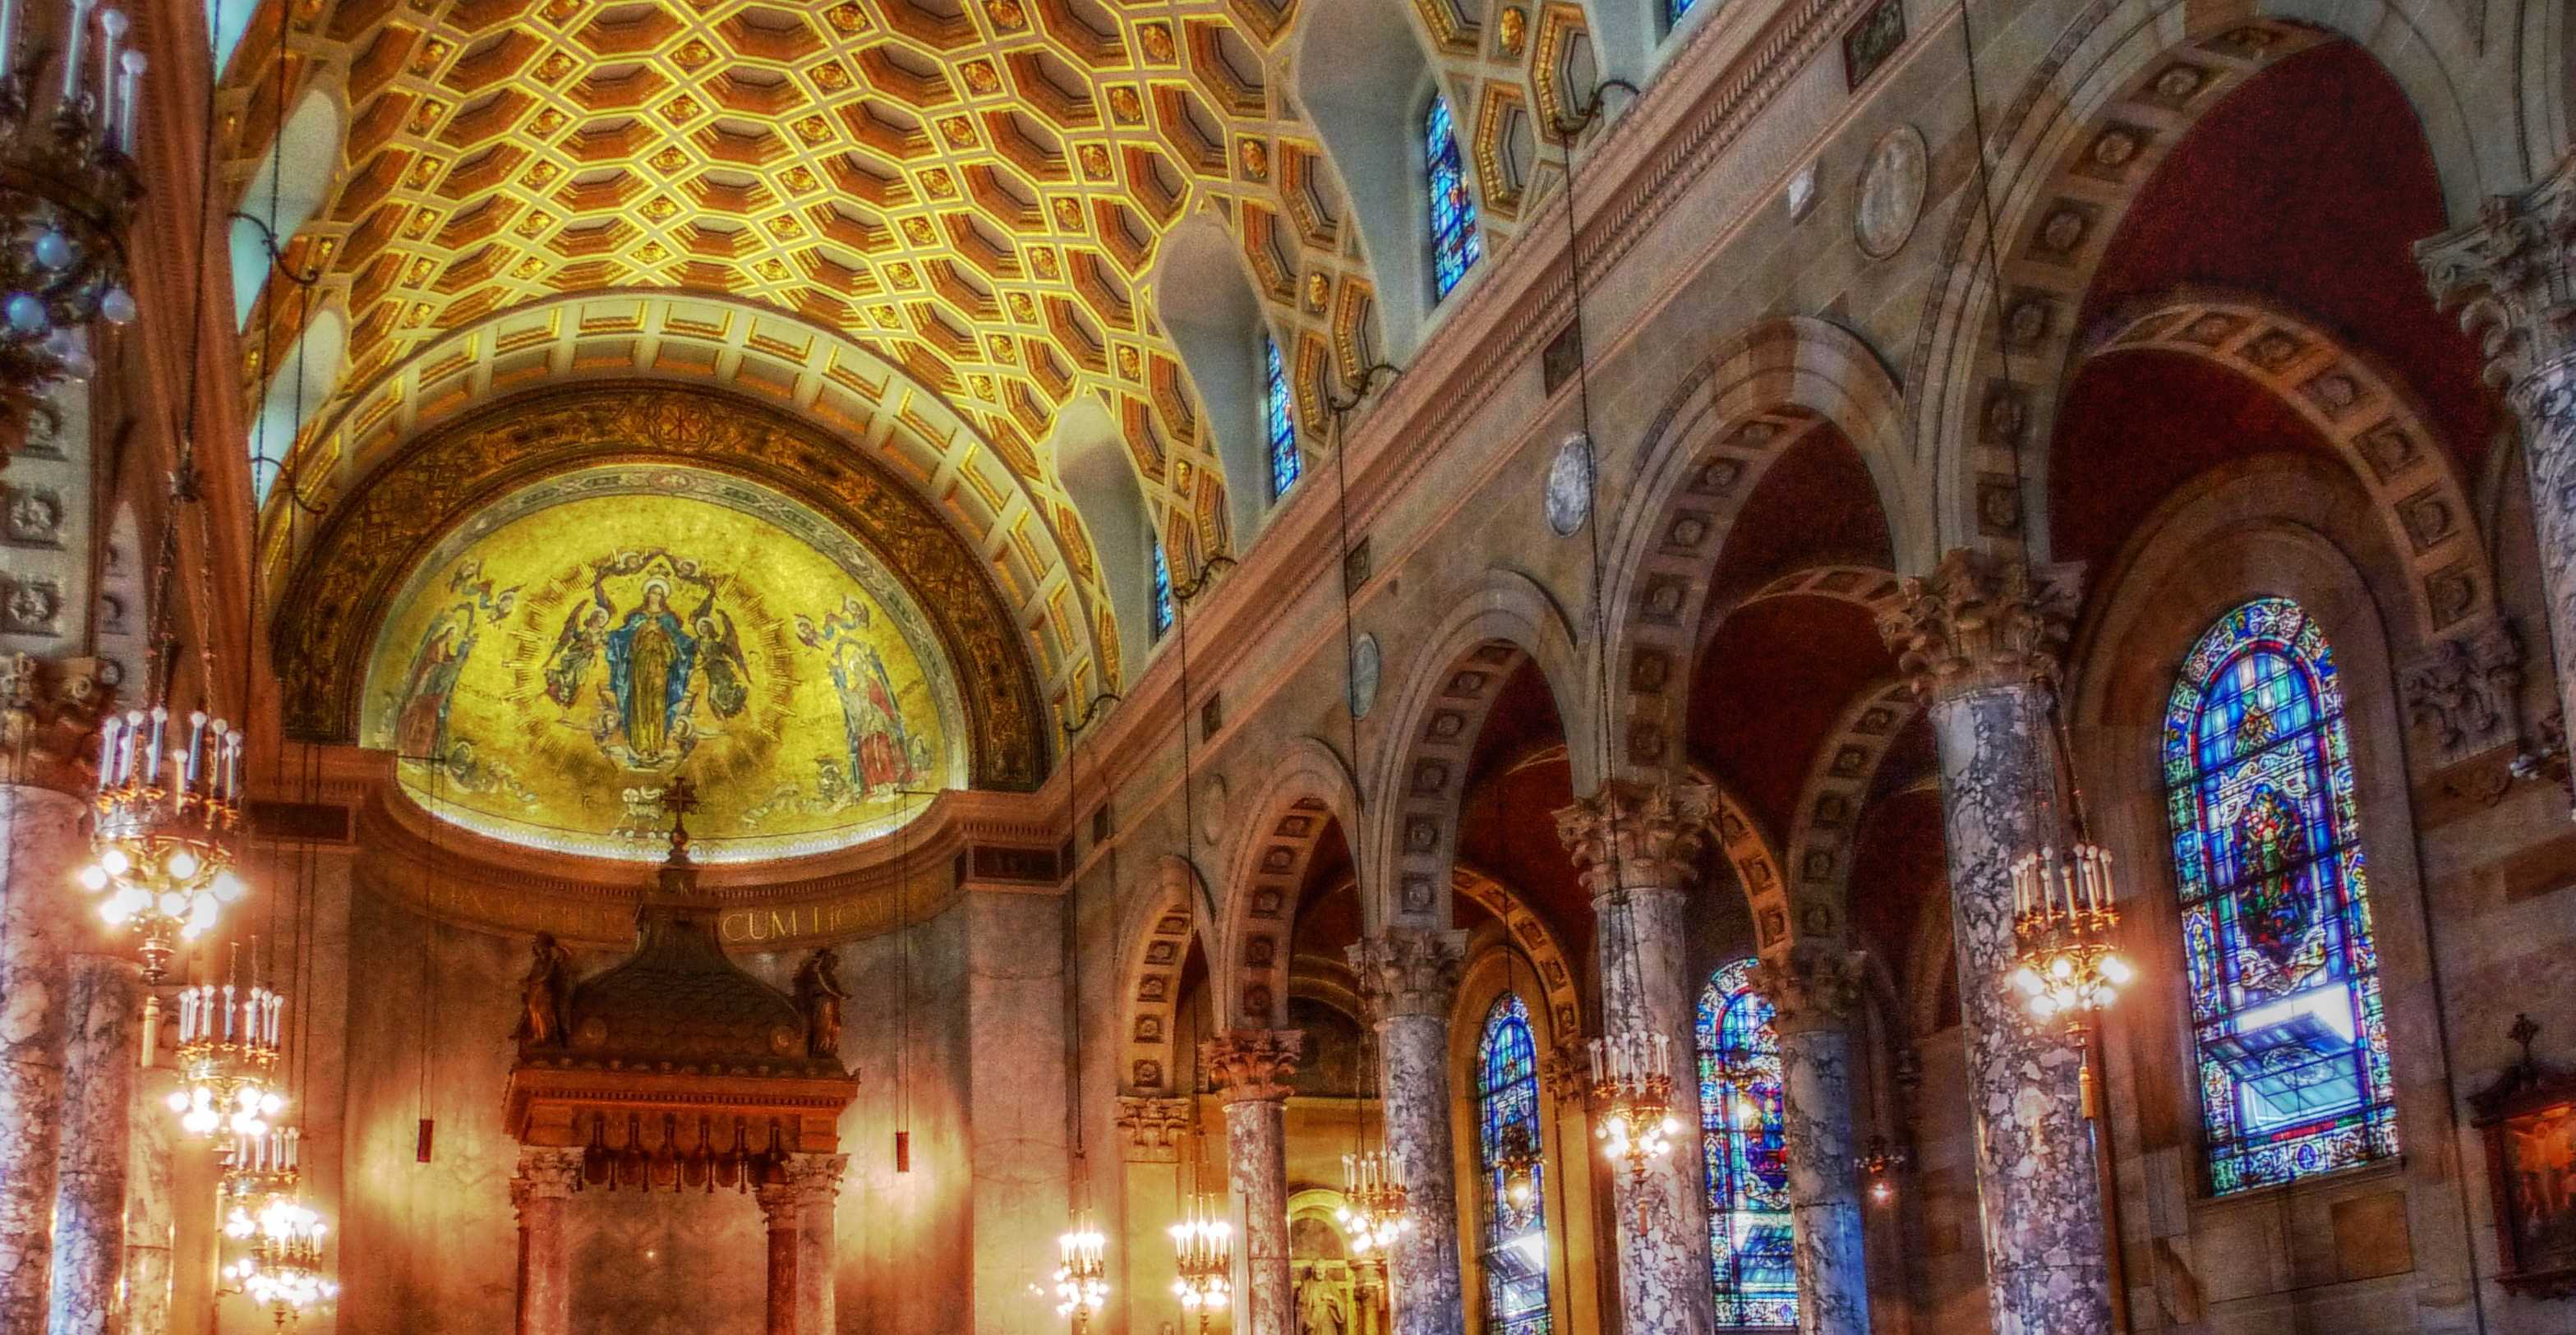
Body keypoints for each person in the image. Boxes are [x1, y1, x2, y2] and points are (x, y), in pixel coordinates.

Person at [514, 932, 573, 1046]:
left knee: (543, 1012)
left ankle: (544, 1036)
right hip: (534, 990)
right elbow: (533, 974)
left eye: (538, 944)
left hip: (543, 991)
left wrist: (532, 982)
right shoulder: (538, 962)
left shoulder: (550, 961)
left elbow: (546, 975)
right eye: (537, 945)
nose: (537, 947)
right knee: (533, 1010)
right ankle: (537, 1034)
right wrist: (526, 980)